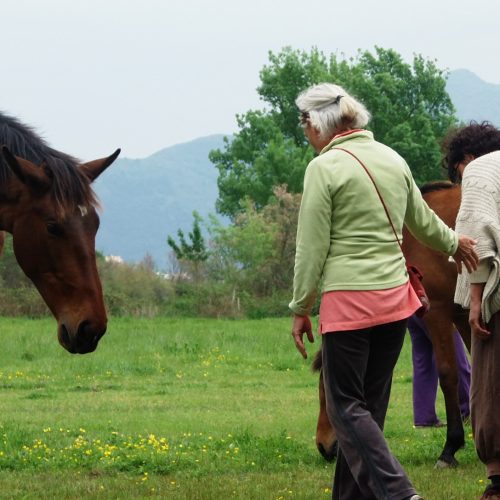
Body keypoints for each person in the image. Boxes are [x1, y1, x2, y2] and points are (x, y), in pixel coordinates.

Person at [288, 82, 479, 500]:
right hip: (396, 304)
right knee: (368, 410)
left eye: (304, 120)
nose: (303, 129)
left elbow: (311, 246)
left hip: (350, 304)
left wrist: (301, 306)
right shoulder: (392, 159)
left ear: (320, 122)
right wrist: (455, 243)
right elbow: (423, 221)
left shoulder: (324, 168)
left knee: (344, 407)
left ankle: (399, 493)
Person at [444, 122, 500, 500]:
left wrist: (477, 299)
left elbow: (476, 236)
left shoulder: (480, 170)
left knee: (490, 381)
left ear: (466, 159)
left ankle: (497, 479)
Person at [408, 315, 470, 427]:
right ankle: (468, 410)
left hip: (413, 309)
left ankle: (424, 417)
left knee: (423, 362)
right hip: (434, 309)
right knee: (455, 357)